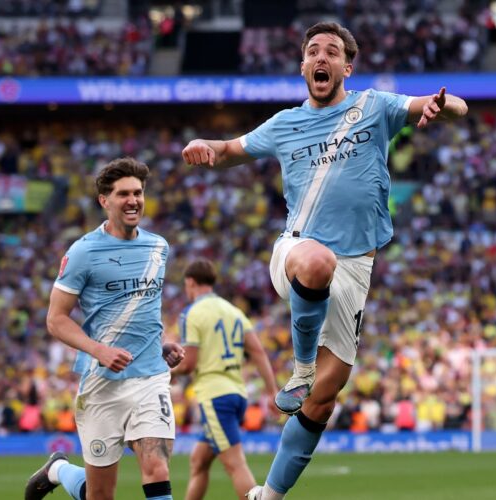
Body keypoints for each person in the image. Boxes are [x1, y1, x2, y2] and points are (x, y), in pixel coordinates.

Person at [182, 21, 467, 500]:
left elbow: (439, 103)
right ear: (303, 67)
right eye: (312, 51)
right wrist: (207, 146)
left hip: (357, 267)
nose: (321, 57)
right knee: (316, 265)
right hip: (298, 250)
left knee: (324, 398)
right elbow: (233, 149)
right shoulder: (284, 123)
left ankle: (267, 494)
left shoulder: (372, 106)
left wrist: (445, 105)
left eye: (331, 52)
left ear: (345, 67)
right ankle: (301, 366)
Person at [24, 157, 185, 500]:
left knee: (156, 466)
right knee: (100, 495)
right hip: (101, 384)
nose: (133, 200)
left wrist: (159, 343)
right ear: (104, 201)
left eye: (138, 192)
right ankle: (58, 470)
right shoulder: (83, 252)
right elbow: (56, 319)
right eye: (123, 193)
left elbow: (141, 310)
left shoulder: (158, 246)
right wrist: (99, 350)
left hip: (150, 377)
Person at [172, 258, 279, 500]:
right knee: (198, 461)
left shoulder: (191, 313)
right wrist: (272, 391)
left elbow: (188, 364)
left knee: (235, 465)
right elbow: (258, 351)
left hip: (215, 396)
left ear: (190, 282)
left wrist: (168, 374)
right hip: (237, 393)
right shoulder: (234, 311)